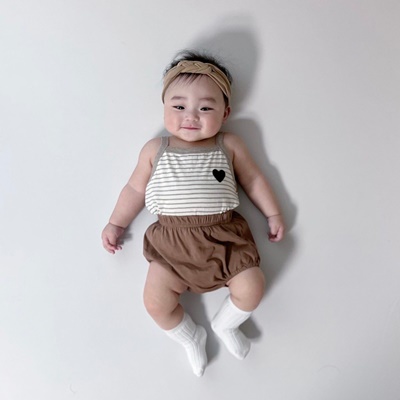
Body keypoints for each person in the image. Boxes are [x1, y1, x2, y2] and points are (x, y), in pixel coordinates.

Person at [101, 50, 285, 377]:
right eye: (179, 106)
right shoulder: (155, 149)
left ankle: (226, 324)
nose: (191, 116)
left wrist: (272, 214)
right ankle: (190, 336)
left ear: (225, 113)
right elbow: (134, 190)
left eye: (205, 108)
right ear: (164, 107)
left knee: (253, 286)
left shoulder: (229, 145)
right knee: (155, 303)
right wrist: (116, 222)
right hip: (172, 244)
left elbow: (254, 180)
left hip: (225, 238)